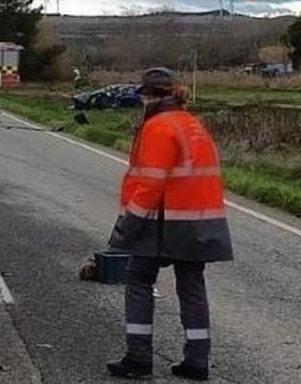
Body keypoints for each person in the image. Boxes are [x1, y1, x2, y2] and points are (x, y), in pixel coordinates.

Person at [106, 67, 233, 381]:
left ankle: (138, 359)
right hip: (201, 223)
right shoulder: (193, 124)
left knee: (138, 280)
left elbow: (150, 182)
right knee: (192, 287)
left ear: (148, 97)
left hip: (166, 222)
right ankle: (197, 361)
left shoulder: (158, 127)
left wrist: (128, 224)